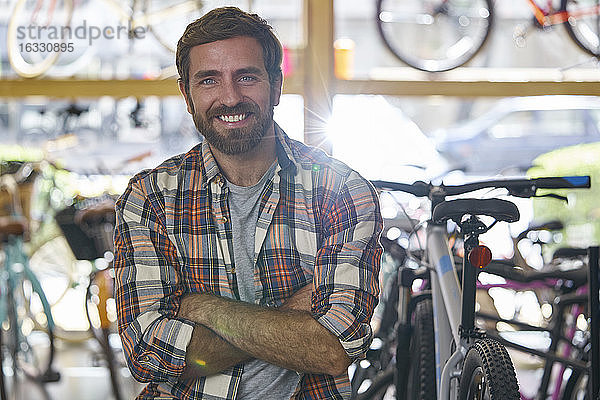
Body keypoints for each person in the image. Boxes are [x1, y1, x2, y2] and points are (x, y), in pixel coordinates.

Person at [113, 6, 383, 399]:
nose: (230, 97)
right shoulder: (149, 199)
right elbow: (147, 355)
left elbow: (334, 347)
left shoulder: (340, 191)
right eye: (209, 80)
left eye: (247, 77)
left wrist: (205, 309)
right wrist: (297, 315)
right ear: (187, 97)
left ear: (276, 86)